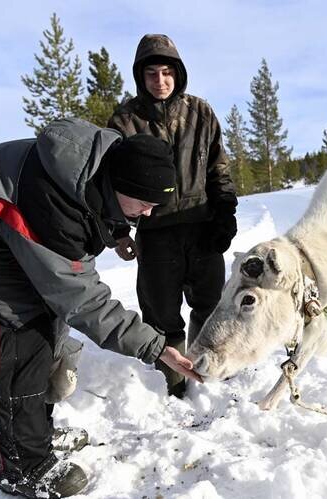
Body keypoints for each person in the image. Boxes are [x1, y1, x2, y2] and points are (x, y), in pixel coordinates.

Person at [0, 118, 202, 499]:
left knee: (44, 321)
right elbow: (81, 299)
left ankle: (33, 434)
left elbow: (93, 210)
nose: (147, 214)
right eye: (144, 204)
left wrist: (115, 232)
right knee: (22, 331)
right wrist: (155, 347)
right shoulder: (52, 209)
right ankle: (21, 466)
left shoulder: (104, 163)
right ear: (119, 186)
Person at [108, 34, 237, 398]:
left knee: (210, 305)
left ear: (178, 74)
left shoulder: (201, 112)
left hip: (202, 227)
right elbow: (111, 181)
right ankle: (174, 384)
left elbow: (218, 169)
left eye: (167, 72)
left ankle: (209, 373)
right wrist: (119, 231)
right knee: (162, 314)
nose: (160, 81)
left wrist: (225, 212)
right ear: (140, 77)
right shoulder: (124, 121)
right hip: (156, 232)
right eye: (152, 73)